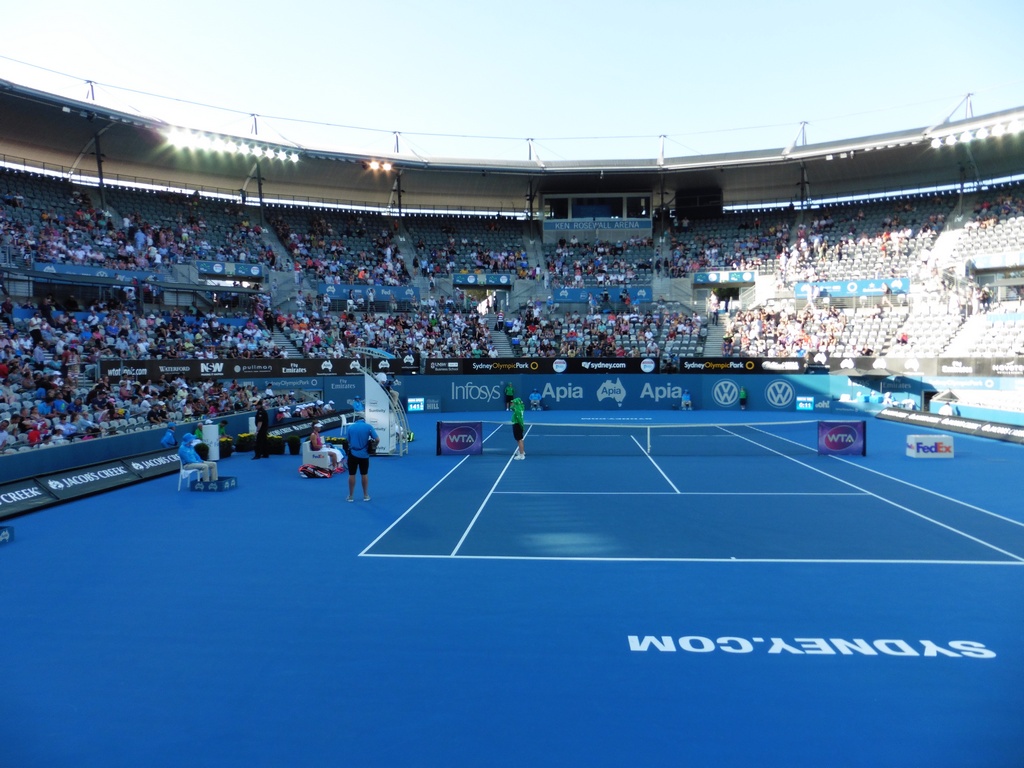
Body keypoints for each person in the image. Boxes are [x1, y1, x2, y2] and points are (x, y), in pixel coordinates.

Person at [345, 414, 379, 502]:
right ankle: (366, 495)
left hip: (352, 454)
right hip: (364, 455)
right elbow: (377, 439)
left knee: (352, 474)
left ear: (356, 420)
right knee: (364, 474)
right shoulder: (368, 426)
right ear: (364, 420)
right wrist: (373, 447)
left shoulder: (350, 427)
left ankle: (351, 496)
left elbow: (348, 440)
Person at [510, 396, 526, 460]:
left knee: (520, 440)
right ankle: (521, 451)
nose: (512, 403)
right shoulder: (519, 407)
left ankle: (522, 455)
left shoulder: (518, 411)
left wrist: (522, 426)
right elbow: (512, 408)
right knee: (519, 439)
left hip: (517, 425)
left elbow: (520, 420)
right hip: (517, 425)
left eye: (513, 402)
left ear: (516, 403)